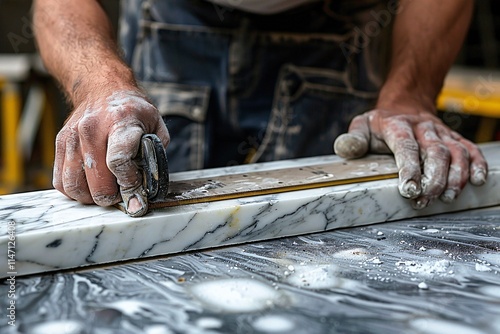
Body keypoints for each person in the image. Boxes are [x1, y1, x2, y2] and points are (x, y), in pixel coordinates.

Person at [33, 0, 488, 217]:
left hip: (340, 30)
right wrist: (100, 84)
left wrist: (408, 96)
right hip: (177, 19)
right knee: (155, 235)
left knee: (332, 232)